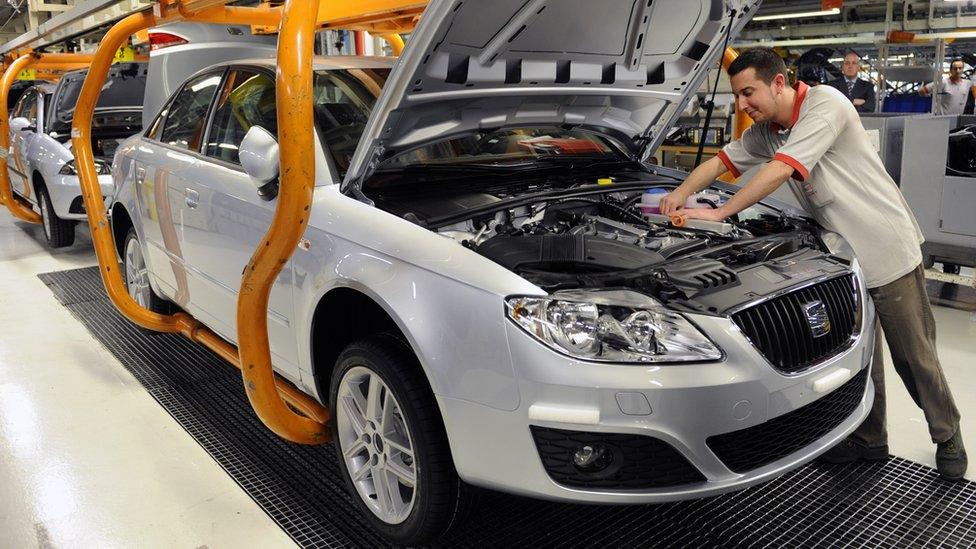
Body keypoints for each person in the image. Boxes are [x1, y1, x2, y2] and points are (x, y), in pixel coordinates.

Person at [660, 47, 967, 481]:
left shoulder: (826, 104)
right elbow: (722, 162)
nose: (743, 105)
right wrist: (678, 196)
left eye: (749, 93)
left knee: (914, 357)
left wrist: (719, 213)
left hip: (886, 248)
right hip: (844, 260)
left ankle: (947, 434)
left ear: (779, 83)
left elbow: (784, 169)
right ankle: (869, 439)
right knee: (861, 357)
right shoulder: (766, 130)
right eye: (738, 96)